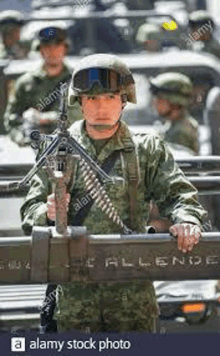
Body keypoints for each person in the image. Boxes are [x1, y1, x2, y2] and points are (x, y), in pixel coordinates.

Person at [21, 54, 206, 333]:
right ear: (79, 103)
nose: (101, 108)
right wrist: (45, 214)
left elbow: (178, 193)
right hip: (75, 297)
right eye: (92, 99)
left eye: (109, 98)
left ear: (124, 100)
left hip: (131, 297)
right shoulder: (58, 150)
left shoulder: (147, 150)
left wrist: (188, 220)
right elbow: (29, 212)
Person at [4, 25, 83, 146]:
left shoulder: (79, 82)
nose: (52, 51)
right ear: (40, 50)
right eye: (47, 47)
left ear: (65, 48)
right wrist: (22, 137)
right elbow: (12, 118)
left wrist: (48, 118)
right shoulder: (25, 83)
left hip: (75, 147)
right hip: (35, 150)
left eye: (57, 46)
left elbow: (87, 117)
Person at [150, 72, 199, 155]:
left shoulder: (182, 132)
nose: (155, 102)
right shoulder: (173, 125)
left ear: (175, 102)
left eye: (160, 98)